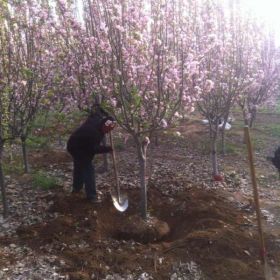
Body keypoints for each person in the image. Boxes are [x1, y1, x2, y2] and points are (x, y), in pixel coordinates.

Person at [67, 108, 116, 203]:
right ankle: (91, 196)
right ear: (103, 125)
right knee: (88, 169)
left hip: (77, 142)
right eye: (107, 129)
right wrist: (107, 149)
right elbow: (92, 149)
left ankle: (76, 188)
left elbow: (97, 112)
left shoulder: (98, 120)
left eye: (111, 129)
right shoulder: (94, 133)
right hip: (77, 147)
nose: (108, 132)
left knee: (79, 166)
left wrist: (106, 113)